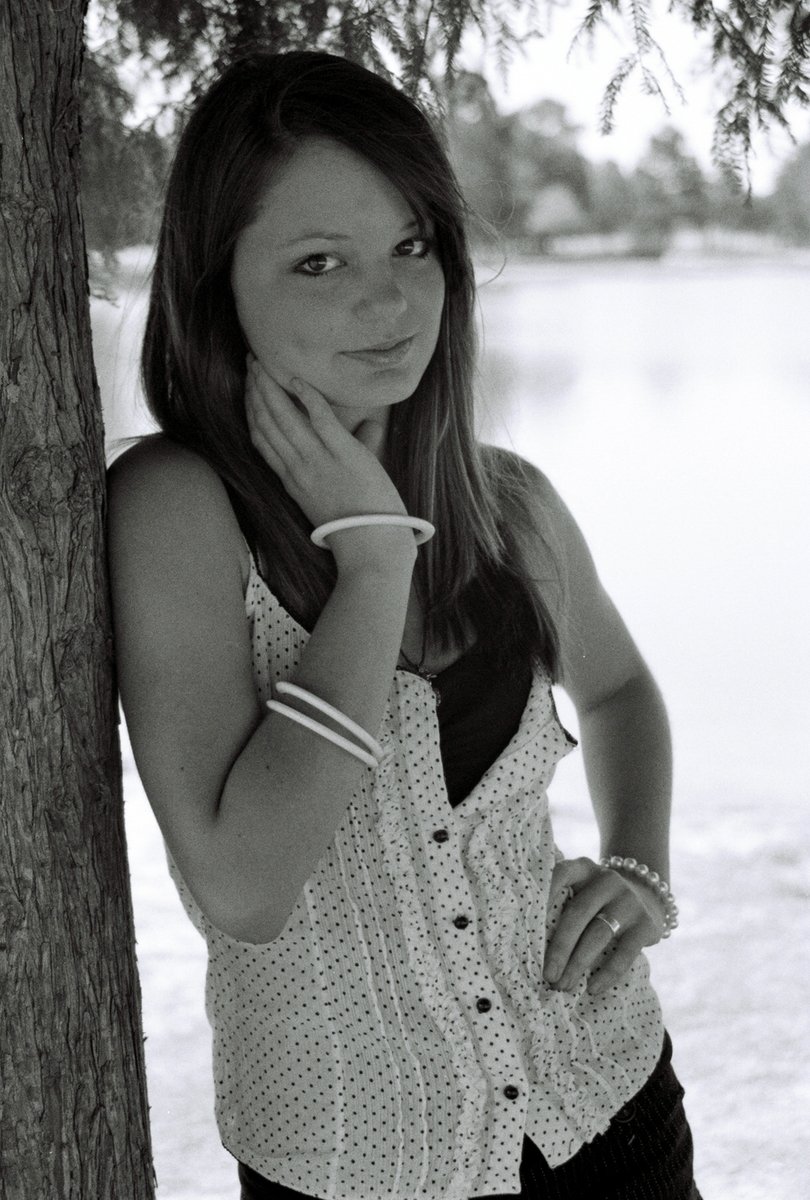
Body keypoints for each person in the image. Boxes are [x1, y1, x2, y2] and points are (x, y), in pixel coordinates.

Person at [107, 49, 701, 1200]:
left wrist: (640, 866)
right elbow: (245, 886)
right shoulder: (176, 511)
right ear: (216, 286)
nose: (387, 302)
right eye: (319, 262)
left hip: (616, 1112)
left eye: (412, 246)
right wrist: (372, 566)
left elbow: (622, 692)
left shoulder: (507, 503)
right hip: (352, 1164)